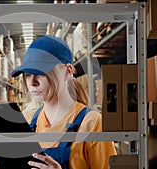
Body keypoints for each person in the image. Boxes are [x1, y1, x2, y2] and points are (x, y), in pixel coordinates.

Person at [10, 35, 117, 169]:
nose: (32, 82)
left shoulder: (92, 123)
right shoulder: (27, 121)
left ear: (67, 71)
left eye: (41, 73)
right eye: (27, 75)